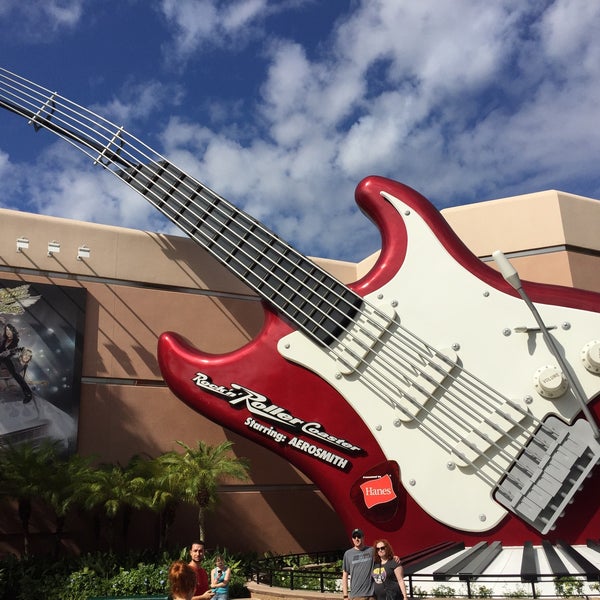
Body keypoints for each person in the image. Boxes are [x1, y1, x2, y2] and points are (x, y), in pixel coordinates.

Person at [0, 323, 32, 403]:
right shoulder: (4, 340)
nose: (8, 331)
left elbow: (14, 350)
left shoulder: (15, 339)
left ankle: (28, 393)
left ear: (13, 331)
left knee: (15, 374)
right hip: (2, 358)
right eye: (6, 329)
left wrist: (8, 352)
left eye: (9, 329)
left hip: (8, 359)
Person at [342, 528, 375, 600]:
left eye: (359, 536)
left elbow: (384, 556)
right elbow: (345, 575)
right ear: (352, 539)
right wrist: (345, 595)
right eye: (354, 537)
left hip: (372, 595)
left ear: (363, 537)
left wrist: (394, 557)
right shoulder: (348, 554)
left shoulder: (372, 550)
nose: (356, 539)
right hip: (356, 595)